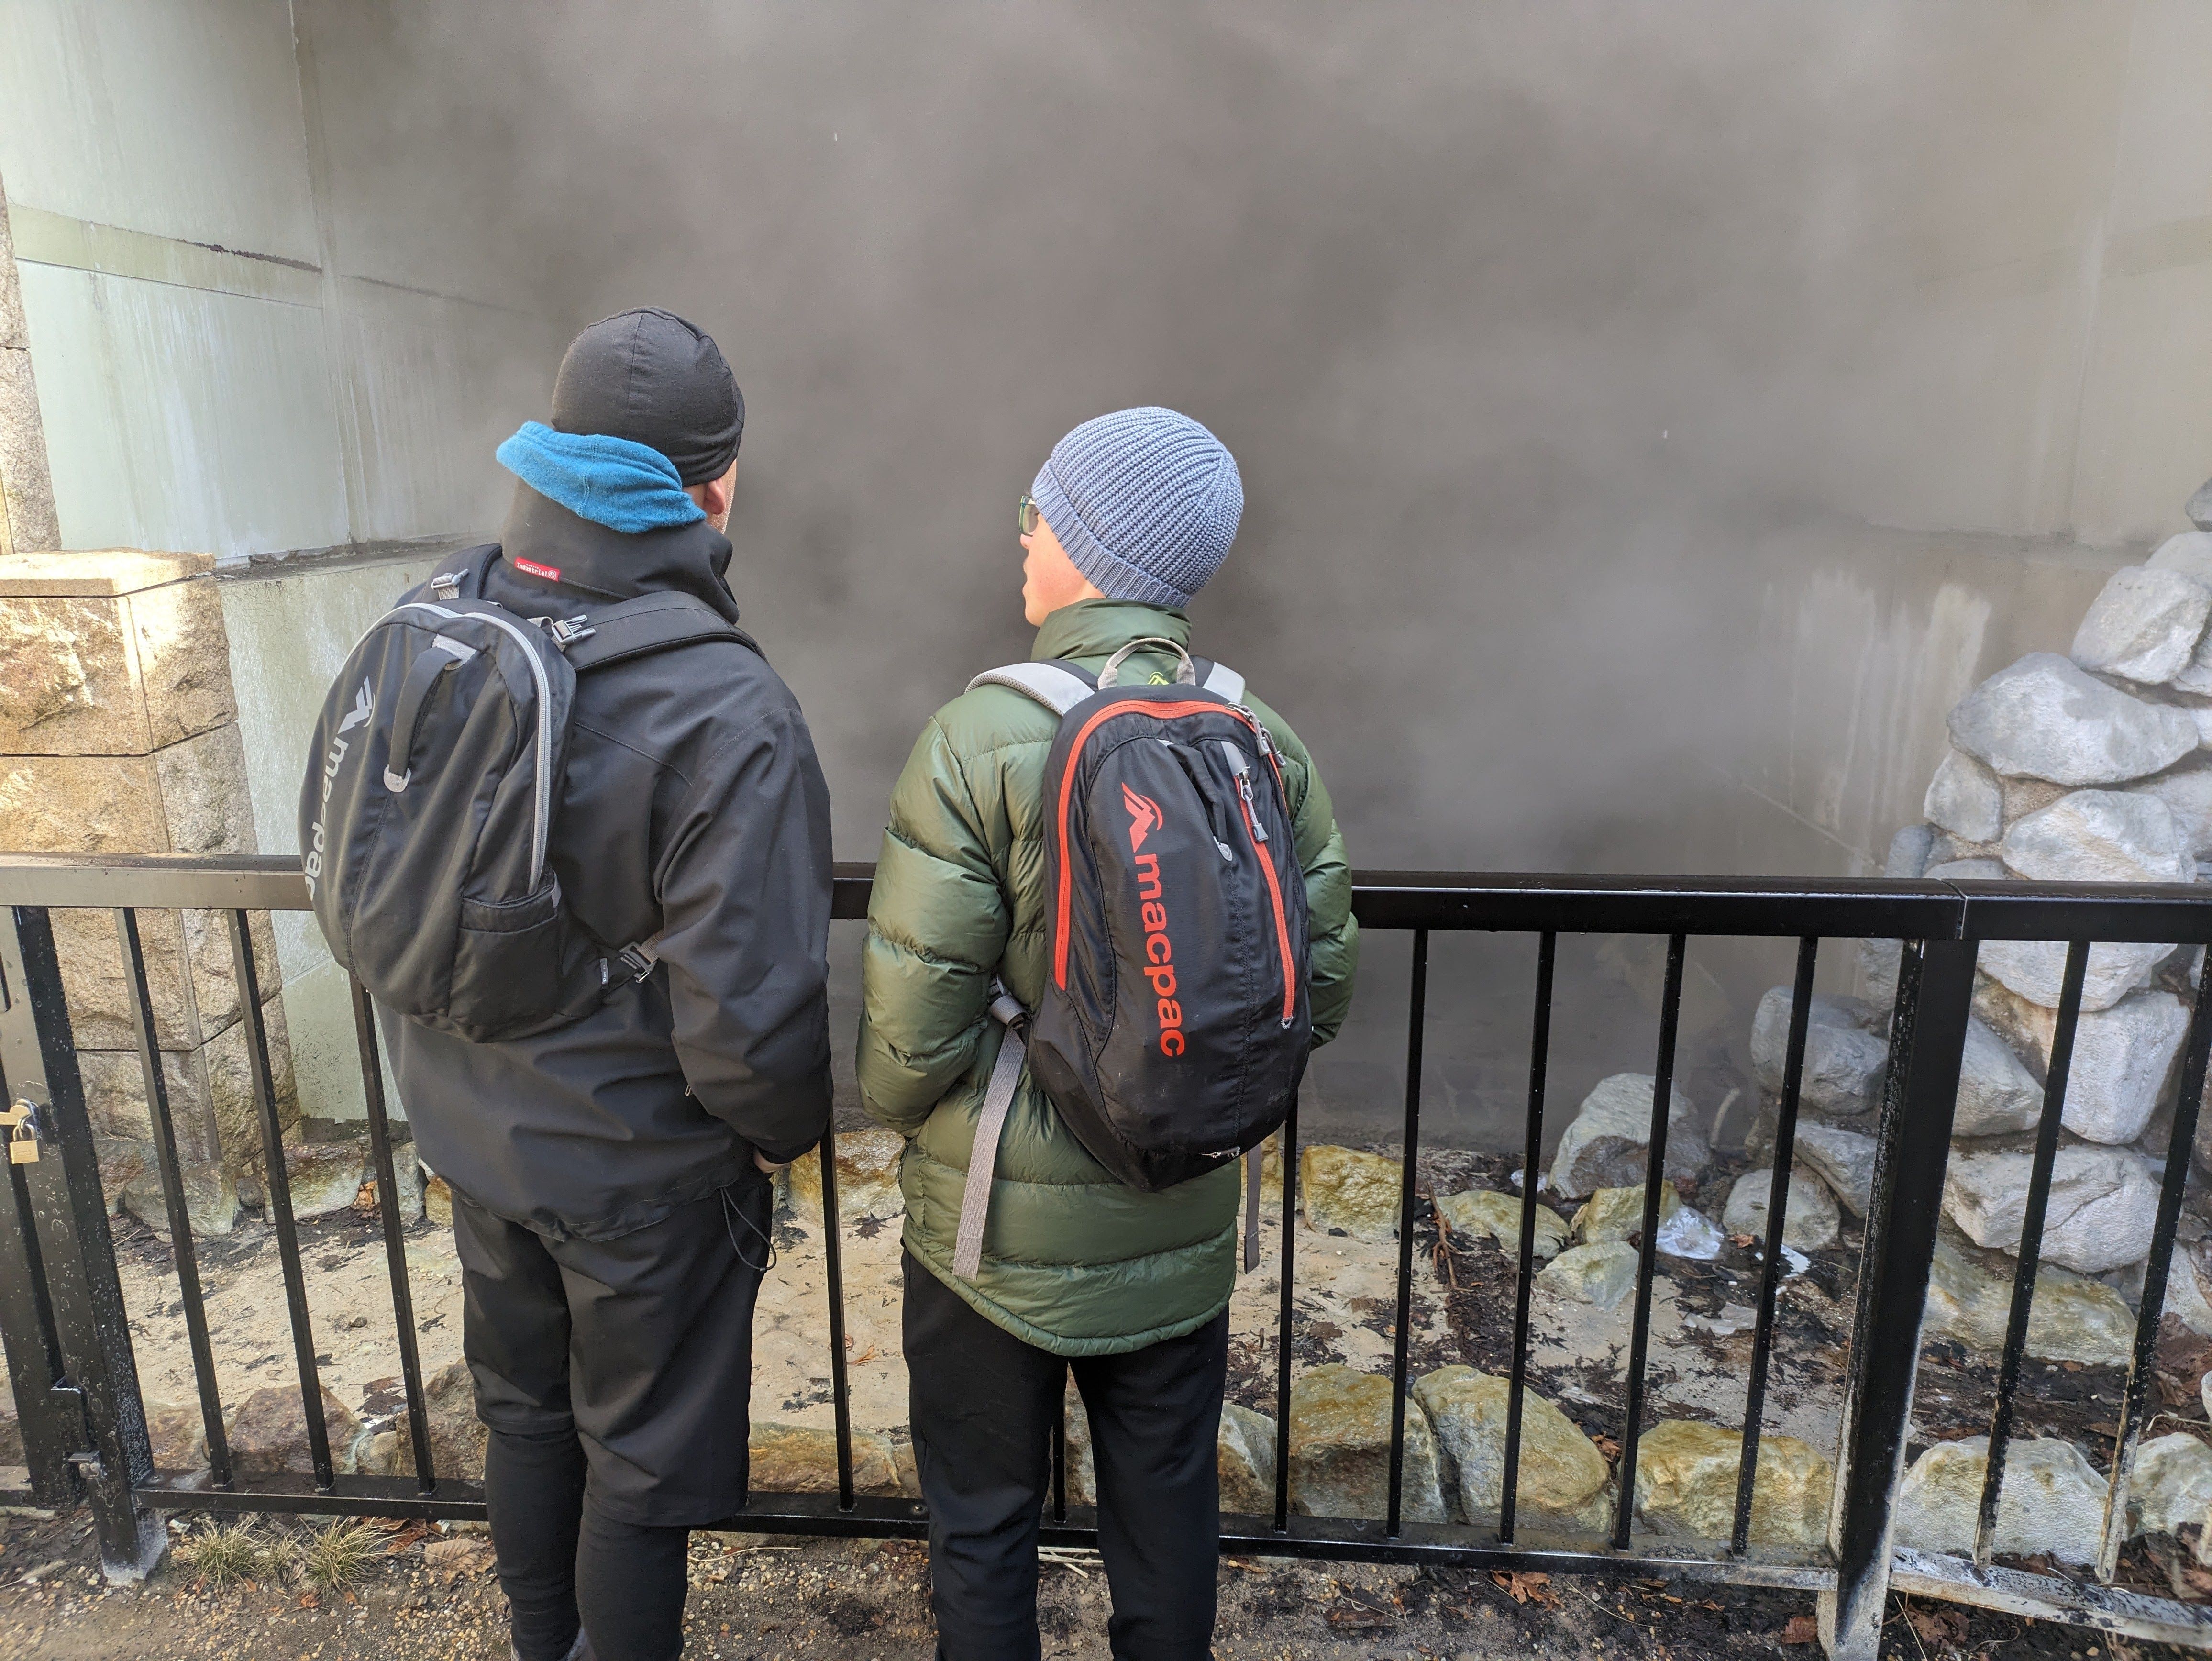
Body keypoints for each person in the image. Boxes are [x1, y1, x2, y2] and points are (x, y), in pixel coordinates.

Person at [857, 407, 1359, 1660]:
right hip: (1183, 1214)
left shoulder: (978, 737)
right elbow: (1321, 996)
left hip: (989, 1238)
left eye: (1038, 516)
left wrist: (964, 1100)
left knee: (983, 1527)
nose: (1019, 537)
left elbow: (910, 1039)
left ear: (1085, 545)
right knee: (1169, 1522)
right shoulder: (1261, 740)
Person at [379, 309, 835, 1661]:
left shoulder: (455, 614)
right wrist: (784, 1135)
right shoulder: (726, 706)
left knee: (524, 1410)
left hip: (475, 1128)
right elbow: (748, 1017)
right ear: (717, 483)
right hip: (637, 1172)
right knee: (638, 1469)